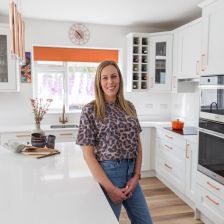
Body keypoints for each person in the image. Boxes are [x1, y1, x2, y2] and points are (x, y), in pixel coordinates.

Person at [76, 60, 153, 224]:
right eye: (105, 78)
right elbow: (88, 156)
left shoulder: (129, 107)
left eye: (114, 76)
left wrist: (137, 176)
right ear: (99, 82)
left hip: (131, 175)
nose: (110, 82)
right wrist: (111, 189)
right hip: (109, 176)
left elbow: (137, 144)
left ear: (120, 79)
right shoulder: (90, 110)